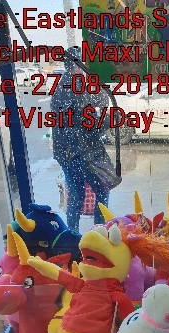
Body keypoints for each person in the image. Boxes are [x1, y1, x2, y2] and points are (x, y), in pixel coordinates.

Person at [51, 47, 121, 231]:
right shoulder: (77, 87)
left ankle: (72, 235)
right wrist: (110, 119)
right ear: (78, 65)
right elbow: (87, 126)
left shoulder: (63, 86)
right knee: (102, 191)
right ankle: (99, 233)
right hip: (81, 154)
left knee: (76, 195)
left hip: (67, 153)